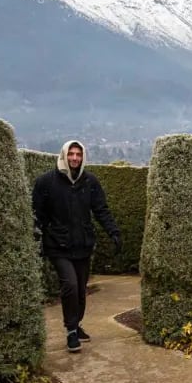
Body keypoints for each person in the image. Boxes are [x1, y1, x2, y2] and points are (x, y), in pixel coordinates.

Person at [33, 141, 121, 353]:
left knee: (81, 290)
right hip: (58, 246)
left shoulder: (90, 182)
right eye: (71, 154)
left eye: (78, 154)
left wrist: (114, 232)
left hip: (83, 245)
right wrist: (36, 238)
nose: (74, 158)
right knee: (70, 285)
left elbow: (101, 210)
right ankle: (71, 330)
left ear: (82, 157)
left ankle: (76, 323)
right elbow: (37, 214)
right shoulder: (46, 182)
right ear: (64, 155)